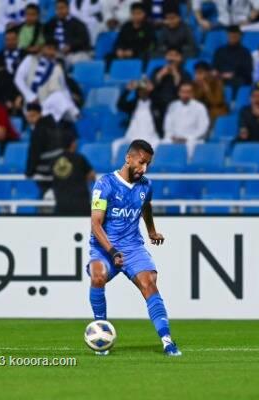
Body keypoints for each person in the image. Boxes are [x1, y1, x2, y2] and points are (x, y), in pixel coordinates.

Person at [88, 139, 181, 357]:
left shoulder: (145, 186)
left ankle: (167, 340)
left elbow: (146, 206)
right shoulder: (105, 185)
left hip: (132, 247)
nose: (144, 168)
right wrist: (112, 252)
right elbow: (95, 224)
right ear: (128, 158)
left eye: (148, 164)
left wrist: (151, 231)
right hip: (105, 248)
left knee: (149, 282)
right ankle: (100, 332)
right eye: (141, 162)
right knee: (97, 275)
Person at [15, 40, 79, 121]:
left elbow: (64, 89)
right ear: (42, 48)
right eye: (49, 48)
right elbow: (18, 79)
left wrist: (74, 109)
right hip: (30, 104)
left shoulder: (56, 67)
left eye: (54, 50)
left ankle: (75, 118)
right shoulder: (29, 59)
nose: (51, 52)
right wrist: (30, 96)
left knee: (59, 96)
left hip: (46, 103)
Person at [113, 79, 161, 158]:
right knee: (116, 144)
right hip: (132, 136)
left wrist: (153, 90)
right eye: (140, 90)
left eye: (144, 90)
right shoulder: (134, 104)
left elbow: (163, 102)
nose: (142, 92)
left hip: (151, 137)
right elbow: (120, 105)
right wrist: (127, 90)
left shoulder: (156, 104)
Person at [150, 46, 192, 132]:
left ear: (180, 58)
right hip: (158, 106)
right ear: (165, 57)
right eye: (169, 55)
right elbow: (150, 88)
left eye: (175, 55)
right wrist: (160, 75)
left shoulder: (185, 74)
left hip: (177, 107)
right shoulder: (157, 71)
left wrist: (176, 76)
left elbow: (186, 93)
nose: (172, 58)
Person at [52, 134, 95, 216]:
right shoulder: (79, 158)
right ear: (72, 144)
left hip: (61, 204)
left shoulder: (54, 160)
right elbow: (92, 175)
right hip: (80, 204)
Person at [163, 82, 210, 156]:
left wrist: (188, 138)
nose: (185, 95)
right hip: (174, 139)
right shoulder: (172, 106)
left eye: (188, 92)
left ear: (192, 93)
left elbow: (203, 128)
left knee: (191, 146)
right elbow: (167, 126)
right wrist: (172, 136)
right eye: (183, 92)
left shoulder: (200, 107)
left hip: (192, 140)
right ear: (179, 93)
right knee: (163, 144)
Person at [43, 0, 92, 65]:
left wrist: (70, 46)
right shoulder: (51, 24)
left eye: (62, 8)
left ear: (68, 8)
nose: (59, 11)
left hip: (73, 54)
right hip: (55, 53)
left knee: (79, 59)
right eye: (57, 9)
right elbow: (45, 37)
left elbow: (83, 41)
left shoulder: (78, 24)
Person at [0, 29, 25, 115]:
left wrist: (21, 96)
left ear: (18, 39)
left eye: (13, 39)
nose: (10, 42)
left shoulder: (25, 55)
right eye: (8, 40)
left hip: (20, 90)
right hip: (3, 92)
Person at [193, 0, 259, 31]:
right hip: (222, 23)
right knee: (202, 29)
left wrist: (249, 19)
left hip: (242, 24)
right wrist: (200, 20)